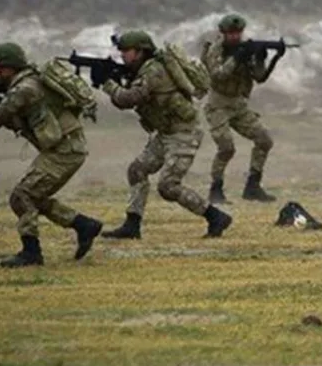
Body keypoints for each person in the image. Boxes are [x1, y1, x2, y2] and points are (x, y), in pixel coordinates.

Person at [0, 42, 102, 267]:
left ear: (8, 68)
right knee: (33, 196)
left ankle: (32, 253)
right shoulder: (28, 82)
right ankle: (83, 225)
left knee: (21, 196)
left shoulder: (24, 89)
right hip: (66, 148)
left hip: (64, 151)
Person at [99, 30, 232, 240]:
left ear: (140, 51)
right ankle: (132, 226)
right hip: (166, 132)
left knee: (168, 186)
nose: (123, 55)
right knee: (137, 171)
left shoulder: (153, 71)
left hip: (184, 133)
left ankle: (215, 216)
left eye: (127, 51)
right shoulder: (144, 69)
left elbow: (129, 99)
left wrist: (108, 84)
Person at [201, 13, 280, 203]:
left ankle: (253, 186)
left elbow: (259, 77)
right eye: (231, 33)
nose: (235, 36)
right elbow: (218, 75)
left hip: (238, 104)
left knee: (264, 140)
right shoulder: (215, 50)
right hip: (218, 105)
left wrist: (265, 58)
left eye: (238, 33)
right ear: (223, 33)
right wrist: (237, 57)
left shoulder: (245, 50)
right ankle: (216, 190)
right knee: (226, 148)